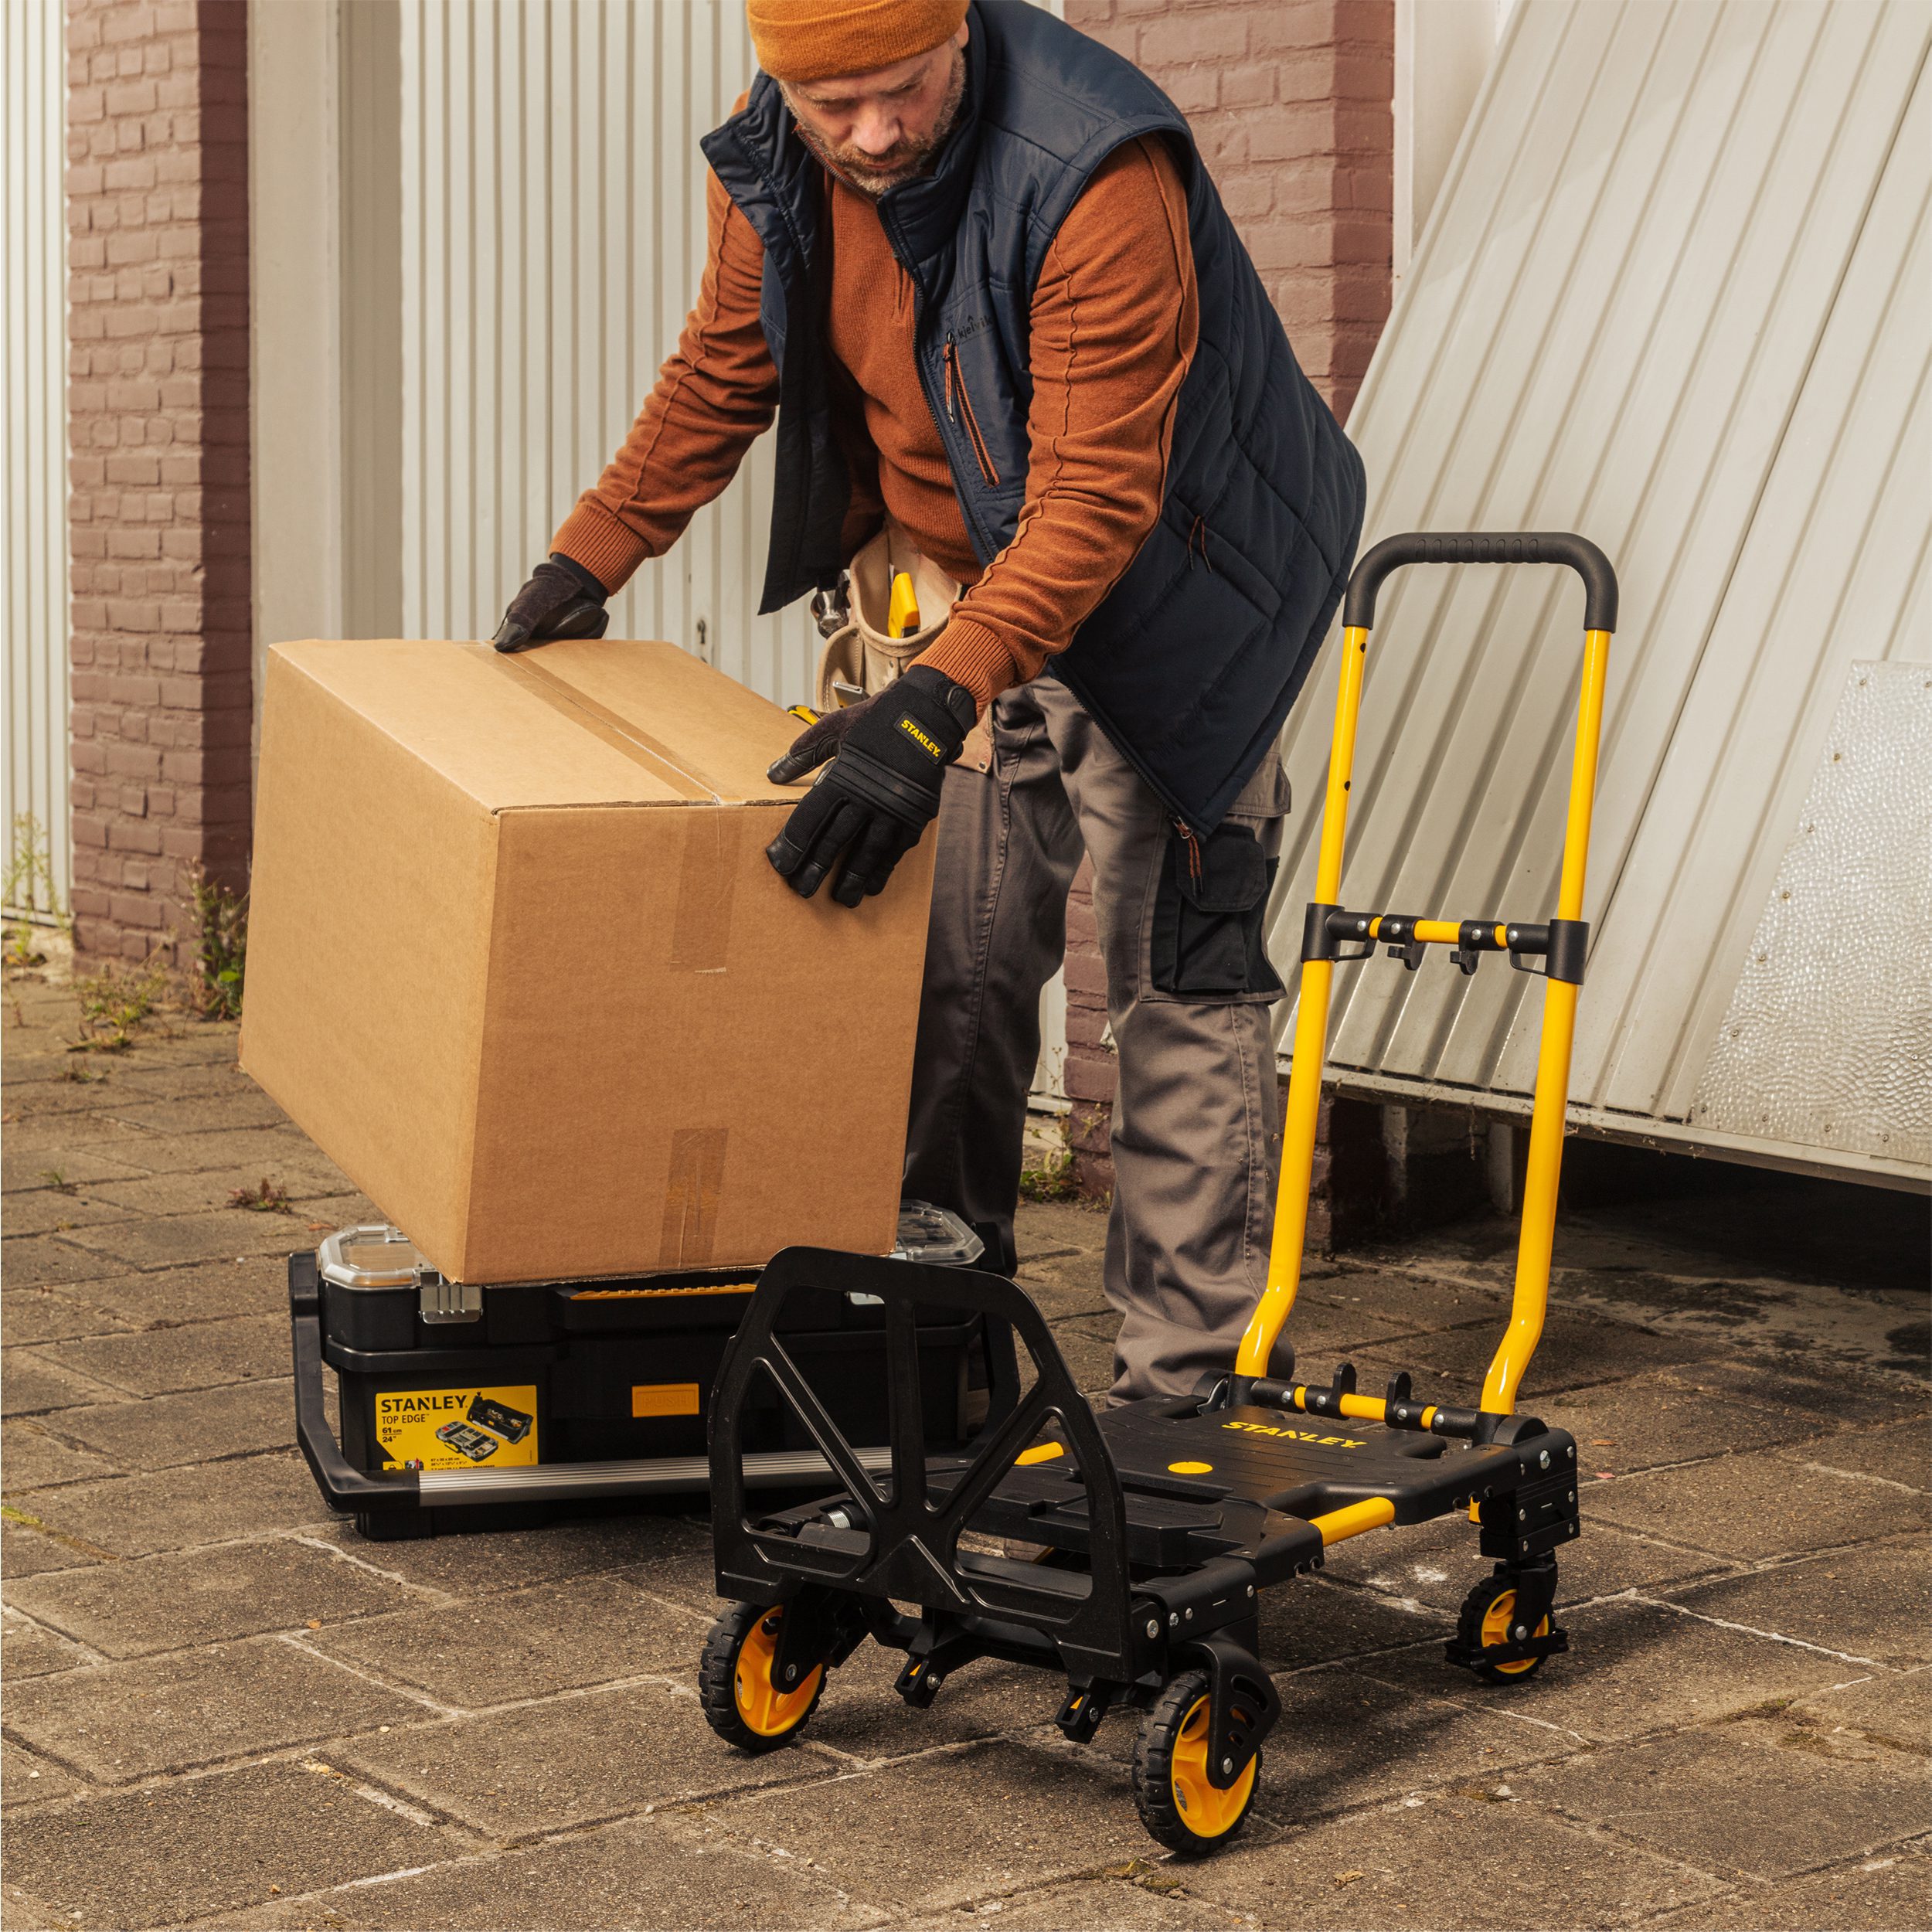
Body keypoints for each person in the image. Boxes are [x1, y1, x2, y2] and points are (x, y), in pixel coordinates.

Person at [492, 0, 1366, 1400]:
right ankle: (940, 1336)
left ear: (958, 25)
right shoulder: (781, 151)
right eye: (833, 106)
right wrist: (587, 555)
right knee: (946, 968)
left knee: (1174, 986)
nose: (873, 133)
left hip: (1177, 600)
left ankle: (1187, 1386)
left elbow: (1095, 495)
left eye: (901, 89)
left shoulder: (1094, 165)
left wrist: (935, 698)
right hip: (966, 588)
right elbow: (726, 366)